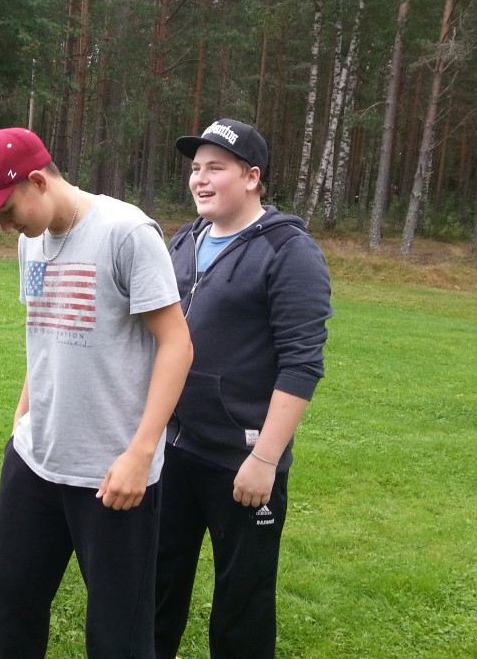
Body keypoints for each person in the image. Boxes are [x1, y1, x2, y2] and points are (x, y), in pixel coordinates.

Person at [0, 128, 193, 659]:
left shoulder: (127, 233)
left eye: (6, 209)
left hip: (112, 475)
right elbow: (44, 334)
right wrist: (22, 421)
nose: (4, 225)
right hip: (34, 459)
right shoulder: (31, 241)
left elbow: (177, 345)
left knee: (118, 633)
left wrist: (140, 454)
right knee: (11, 602)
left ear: (38, 181)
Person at [154, 119, 333, 659]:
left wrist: (265, 458)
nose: (200, 180)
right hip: (173, 449)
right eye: (196, 169)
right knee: (157, 585)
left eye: (216, 168)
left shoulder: (289, 250)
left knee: (243, 601)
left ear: (252, 177)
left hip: (242, 460)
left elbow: (302, 364)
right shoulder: (185, 240)